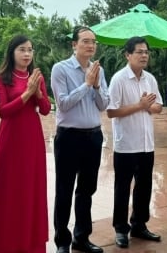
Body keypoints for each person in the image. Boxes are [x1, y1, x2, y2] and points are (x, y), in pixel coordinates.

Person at [0, 35, 51, 253]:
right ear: (12, 52)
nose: (27, 54)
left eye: (30, 50)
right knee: (10, 192)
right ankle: (7, 244)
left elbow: (44, 109)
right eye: (22, 50)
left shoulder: (37, 77)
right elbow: (3, 112)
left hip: (32, 140)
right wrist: (26, 94)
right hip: (11, 140)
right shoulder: (1, 78)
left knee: (31, 190)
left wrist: (39, 92)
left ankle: (31, 244)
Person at [50, 26, 110, 253]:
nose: (91, 45)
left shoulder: (99, 71)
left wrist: (95, 85)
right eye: (85, 41)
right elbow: (63, 103)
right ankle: (62, 242)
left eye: (93, 42)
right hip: (69, 137)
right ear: (74, 45)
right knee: (64, 189)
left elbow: (103, 105)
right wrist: (86, 84)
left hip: (93, 136)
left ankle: (82, 238)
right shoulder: (61, 69)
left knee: (87, 190)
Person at [106, 37, 163, 248]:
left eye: (146, 52)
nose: (144, 55)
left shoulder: (150, 79)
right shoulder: (119, 79)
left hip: (147, 144)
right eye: (139, 52)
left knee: (144, 187)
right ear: (127, 55)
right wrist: (140, 105)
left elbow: (158, 106)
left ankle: (139, 225)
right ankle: (121, 229)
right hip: (127, 145)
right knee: (123, 188)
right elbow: (111, 111)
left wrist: (148, 106)